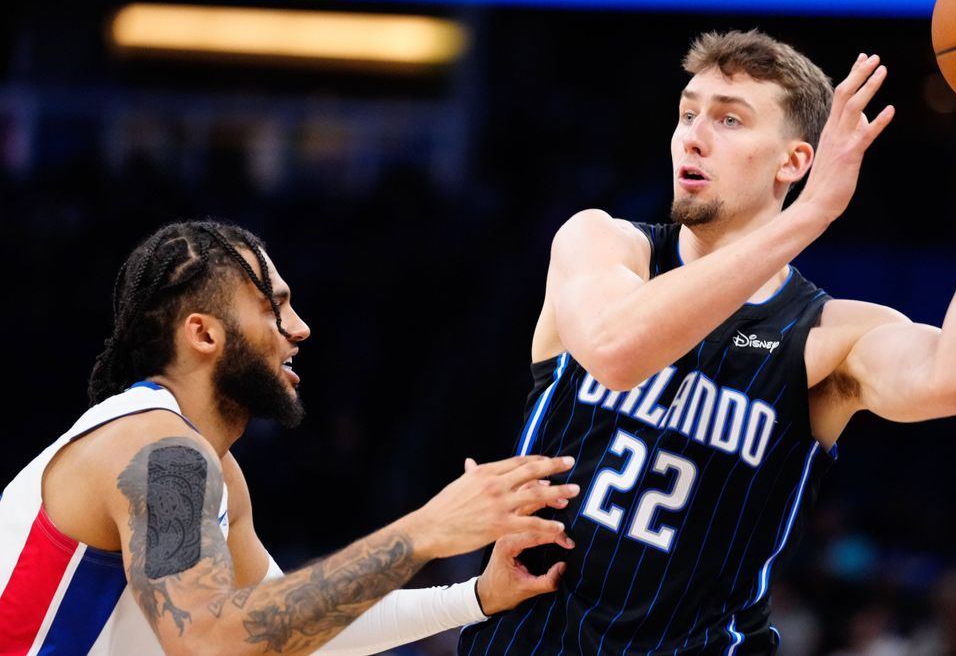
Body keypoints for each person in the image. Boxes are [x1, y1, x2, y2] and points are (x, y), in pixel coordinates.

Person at [458, 29, 956, 654]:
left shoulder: (826, 337)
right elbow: (616, 350)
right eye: (688, 115)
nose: (693, 137)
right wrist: (811, 215)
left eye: (729, 120)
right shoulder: (601, 243)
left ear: (796, 161)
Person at [0, 220, 581, 655]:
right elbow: (209, 640)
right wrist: (426, 531)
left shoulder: (205, 463)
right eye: (273, 308)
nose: (299, 329)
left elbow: (298, 633)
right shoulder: (160, 451)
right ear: (202, 333)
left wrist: (474, 596)